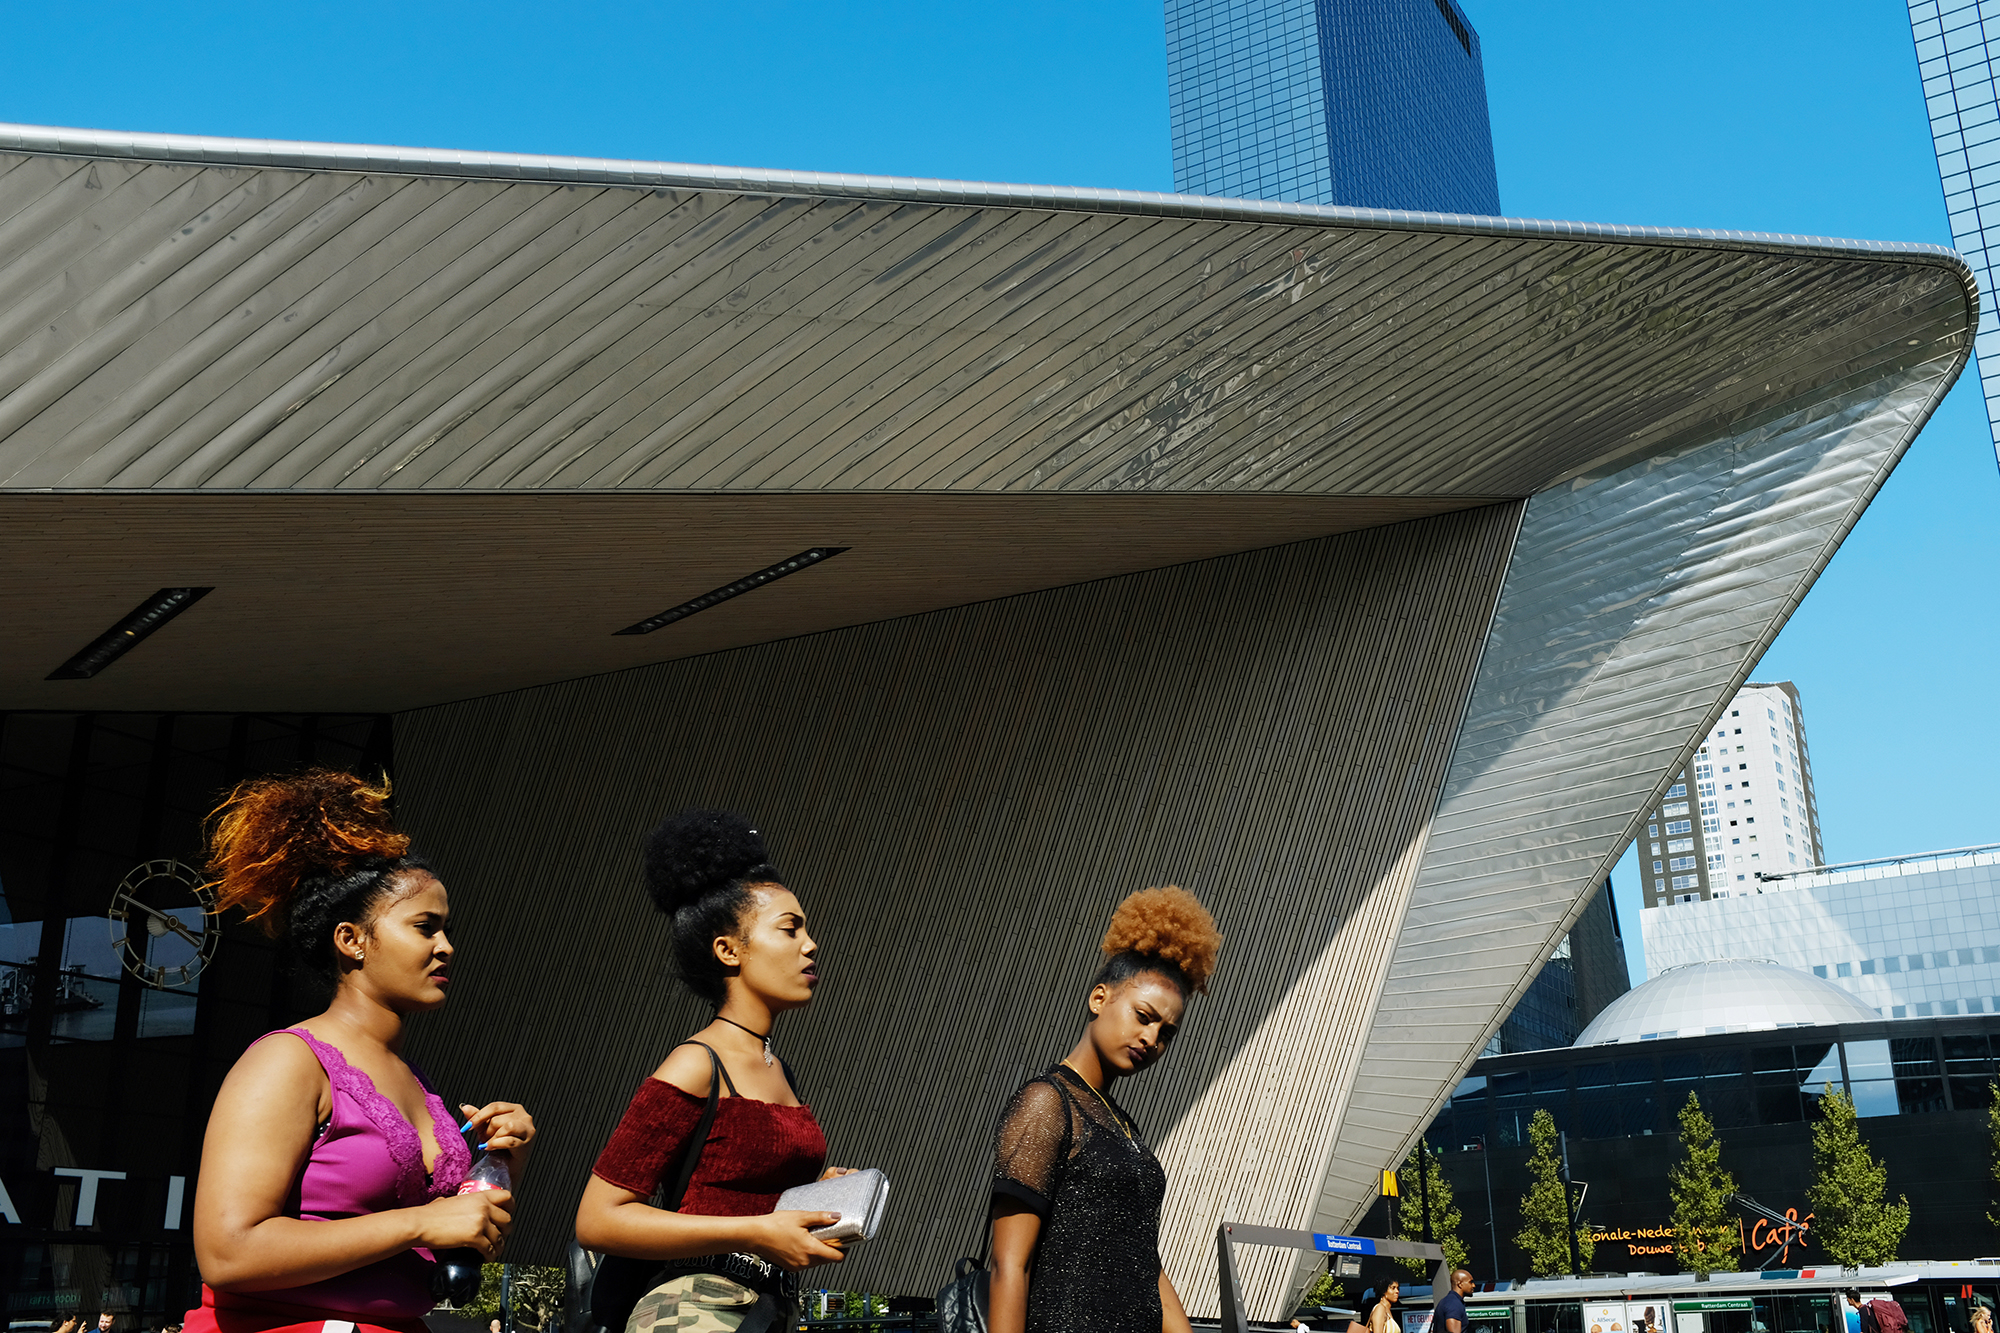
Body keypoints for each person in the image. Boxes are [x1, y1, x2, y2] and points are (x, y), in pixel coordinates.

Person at [181, 770, 535, 1333]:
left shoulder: (419, 1086)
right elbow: (228, 1253)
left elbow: (434, 1240)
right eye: (426, 927)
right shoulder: (287, 1062)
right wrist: (422, 1223)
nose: (447, 947)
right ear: (352, 940)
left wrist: (496, 1164)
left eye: (447, 929)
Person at [575, 809, 855, 1333]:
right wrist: (757, 1231)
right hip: (691, 1310)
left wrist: (817, 1193)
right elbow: (599, 1218)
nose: (810, 944)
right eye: (790, 929)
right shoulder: (695, 1065)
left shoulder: (778, 1067)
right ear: (729, 950)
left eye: (807, 929)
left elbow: (736, 1185)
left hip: (768, 1310)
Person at [986, 885, 1224, 1333]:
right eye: (1143, 1015)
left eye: (1167, 1033)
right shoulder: (1047, 1102)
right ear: (1100, 999)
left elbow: (1142, 1260)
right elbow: (1008, 1266)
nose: (1152, 1039)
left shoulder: (1121, 1125)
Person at [1435, 1268, 1475, 1333]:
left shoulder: (1448, 1301)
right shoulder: (1454, 1304)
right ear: (1460, 1284)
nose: (1473, 1285)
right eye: (1470, 1282)